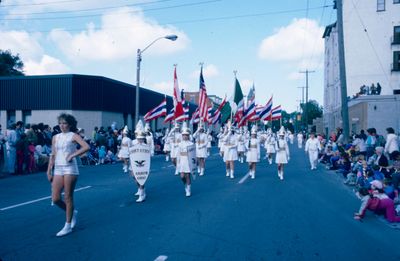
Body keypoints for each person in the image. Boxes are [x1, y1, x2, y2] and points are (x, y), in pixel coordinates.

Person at [46, 113, 89, 237]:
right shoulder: (55, 137)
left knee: (68, 196)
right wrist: (49, 170)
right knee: (55, 198)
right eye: (60, 123)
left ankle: (68, 225)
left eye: (64, 123)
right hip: (58, 168)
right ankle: (72, 212)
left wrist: (73, 155)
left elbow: (86, 147)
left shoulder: (73, 135)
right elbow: (53, 154)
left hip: (70, 168)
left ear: (69, 124)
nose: (62, 125)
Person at [130, 120, 150, 203]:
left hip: (143, 164)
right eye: (139, 138)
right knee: (135, 177)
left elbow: (148, 157)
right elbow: (130, 153)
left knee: (141, 178)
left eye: (142, 139)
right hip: (134, 163)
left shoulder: (146, 146)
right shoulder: (133, 142)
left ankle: (142, 195)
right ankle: (141, 189)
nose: (140, 140)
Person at [177, 123, 194, 197]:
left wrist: (193, 164)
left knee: (187, 176)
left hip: (188, 162)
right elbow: (178, 154)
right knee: (182, 177)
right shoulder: (180, 144)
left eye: (186, 135)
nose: (185, 136)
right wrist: (178, 163)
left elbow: (193, 155)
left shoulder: (191, 143)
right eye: (183, 135)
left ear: (188, 136)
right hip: (182, 162)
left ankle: (188, 189)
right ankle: (185, 185)